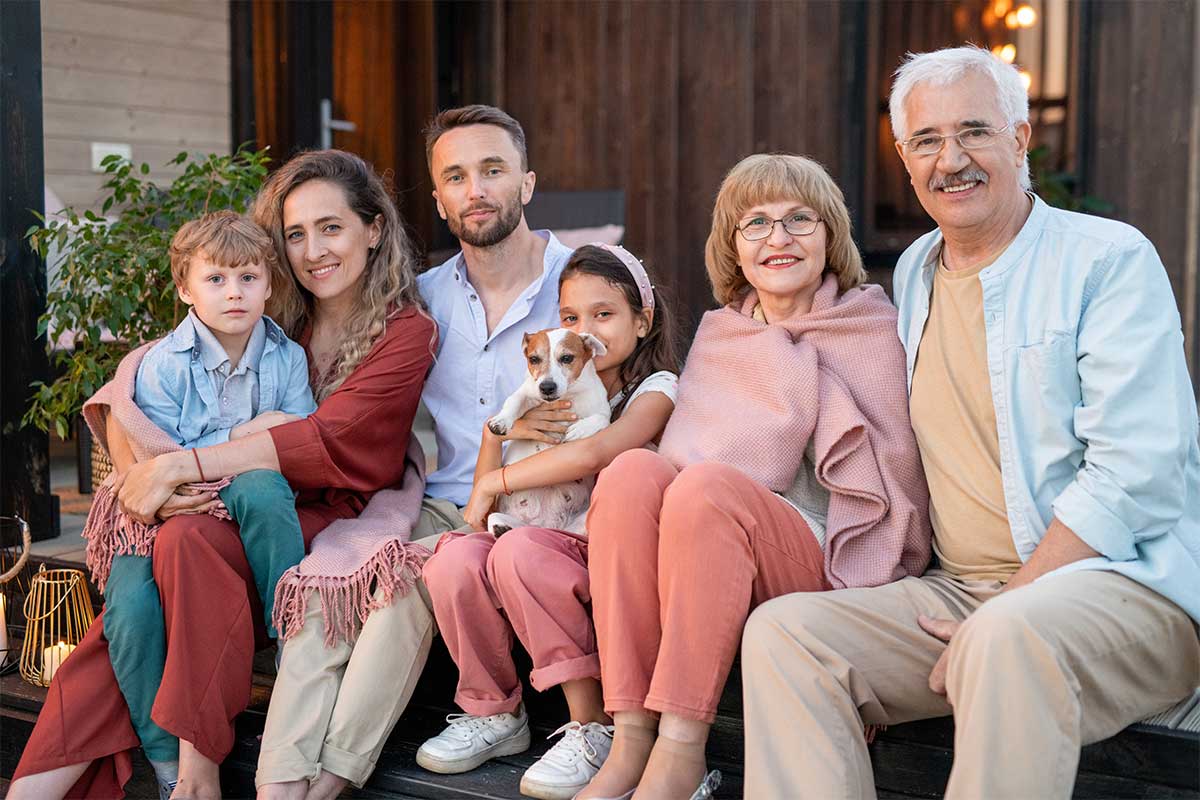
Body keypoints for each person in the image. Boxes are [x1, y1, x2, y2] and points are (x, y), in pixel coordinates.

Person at [741, 45, 1200, 800]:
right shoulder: (918, 269)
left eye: (975, 132)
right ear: (904, 159)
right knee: (789, 637)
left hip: (1124, 586)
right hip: (962, 593)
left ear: (1020, 139)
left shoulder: (1106, 260)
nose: (951, 159)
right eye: (927, 141)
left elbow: (1136, 474)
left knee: (1005, 637)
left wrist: (1016, 597)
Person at [10, 149, 435, 800]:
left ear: (373, 230)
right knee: (152, 578)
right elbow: (126, 387)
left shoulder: (405, 331)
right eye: (295, 234)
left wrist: (181, 466)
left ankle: (191, 758)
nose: (313, 250)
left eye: (331, 227)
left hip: (323, 508)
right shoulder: (275, 312)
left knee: (184, 551)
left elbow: (324, 439)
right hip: (228, 505)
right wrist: (139, 481)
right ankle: (119, 771)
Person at [578, 153, 932, 800]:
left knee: (706, 487)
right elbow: (679, 464)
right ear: (733, 249)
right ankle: (631, 733)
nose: (779, 237)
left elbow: (893, 482)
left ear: (830, 237)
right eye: (757, 224)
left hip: (826, 559)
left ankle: (682, 751)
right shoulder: (723, 335)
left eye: (800, 220)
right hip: (704, 546)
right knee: (632, 472)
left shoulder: (869, 326)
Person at [254, 105, 576, 800]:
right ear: (437, 199)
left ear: (526, 181)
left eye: (493, 170)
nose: (476, 189)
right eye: (456, 176)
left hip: (550, 506)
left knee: (407, 591)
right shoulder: (424, 302)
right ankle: (280, 787)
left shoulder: (582, 283)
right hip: (447, 503)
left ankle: (332, 780)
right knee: (328, 593)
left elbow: (643, 394)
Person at [418, 244, 681, 800]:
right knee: (454, 561)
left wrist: (493, 485)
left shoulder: (655, 390)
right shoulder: (543, 389)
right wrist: (505, 440)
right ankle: (493, 711)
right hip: (529, 527)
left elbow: (595, 452)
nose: (586, 330)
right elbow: (492, 457)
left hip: (595, 546)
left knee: (519, 553)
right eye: (570, 317)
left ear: (643, 319)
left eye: (604, 314)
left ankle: (593, 724)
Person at [91, 210, 317, 797]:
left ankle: (291, 629)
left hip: (239, 494)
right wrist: (249, 436)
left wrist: (252, 444)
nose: (234, 293)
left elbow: (295, 438)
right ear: (186, 288)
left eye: (248, 278)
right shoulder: (163, 365)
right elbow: (154, 460)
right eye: (215, 279)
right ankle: (169, 768)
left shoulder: (286, 357)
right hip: (164, 510)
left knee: (264, 487)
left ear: (270, 282)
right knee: (132, 612)